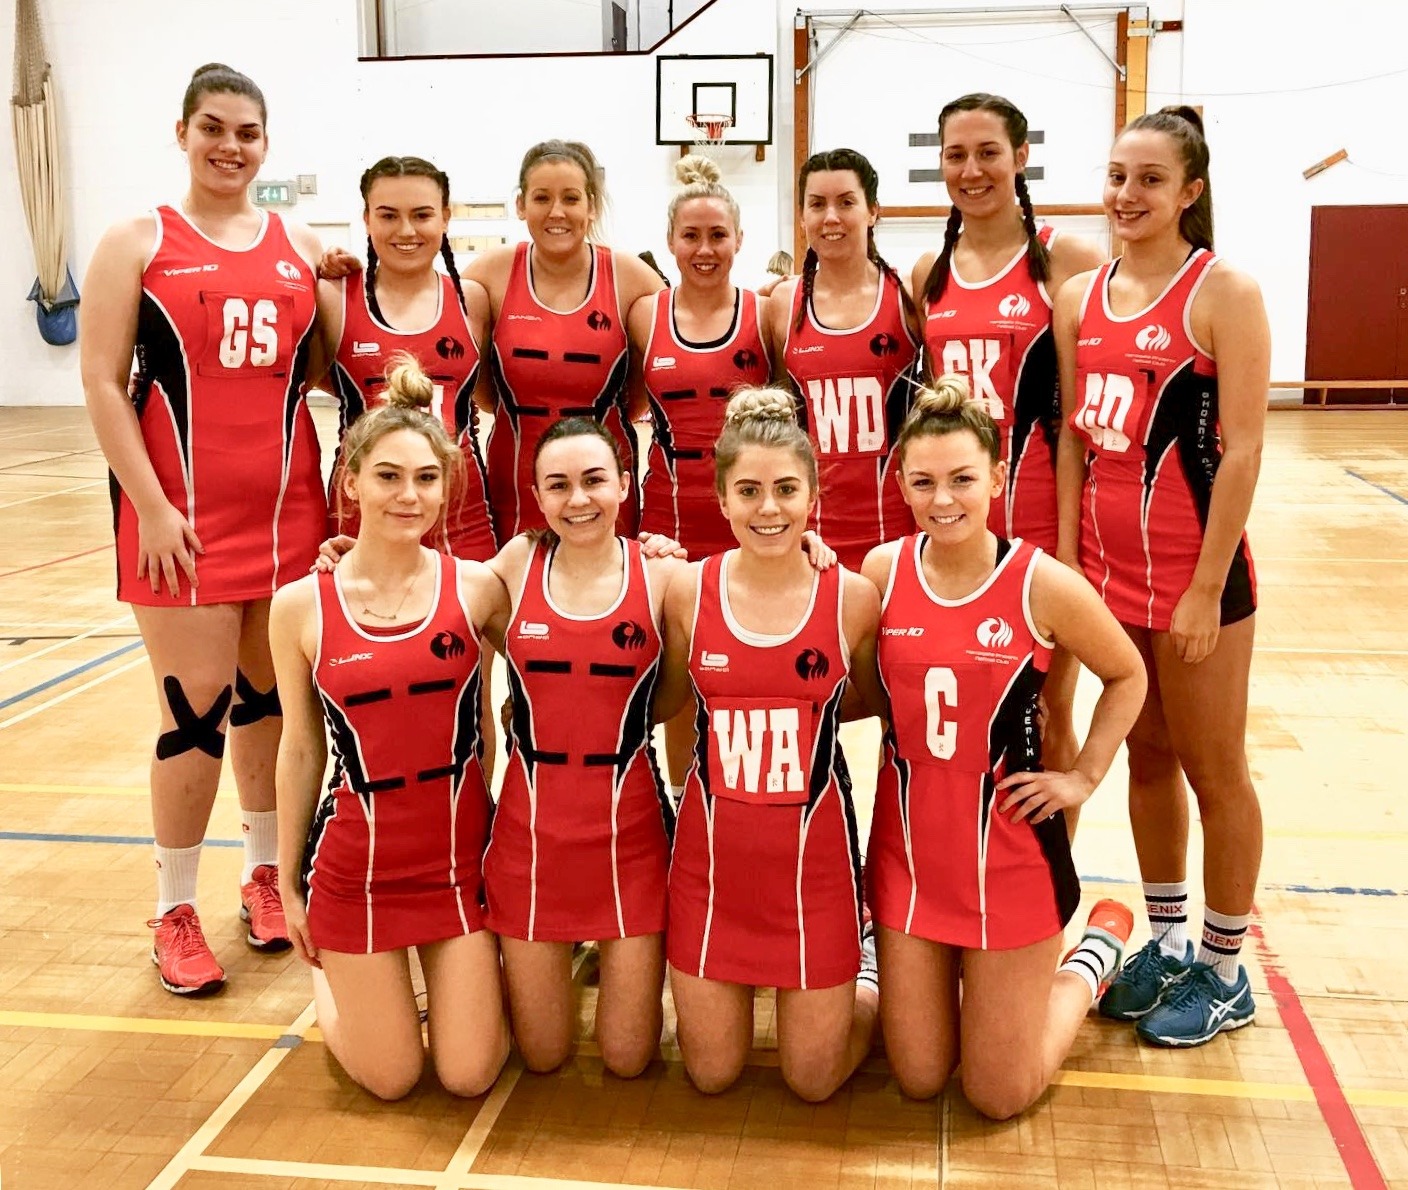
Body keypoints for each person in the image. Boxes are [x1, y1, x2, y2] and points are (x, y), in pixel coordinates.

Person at [80, 63, 325, 994]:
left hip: (289, 513)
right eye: (213, 128)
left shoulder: (300, 243)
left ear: (267, 142)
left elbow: (324, 372)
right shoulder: (137, 240)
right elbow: (103, 381)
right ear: (181, 131)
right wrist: (149, 505)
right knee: (195, 715)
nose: (230, 146)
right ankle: (172, 909)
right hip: (178, 518)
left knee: (272, 704)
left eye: (247, 132)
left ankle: (265, 874)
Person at [863, 376, 1146, 1117]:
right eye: (923, 482)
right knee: (919, 1077)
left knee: (997, 1094)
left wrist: (1082, 777)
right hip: (909, 860)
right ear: (901, 482)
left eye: (962, 478)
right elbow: (847, 685)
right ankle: (910, 973)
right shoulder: (882, 572)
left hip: (1009, 861)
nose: (943, 499)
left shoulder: (1041, 584)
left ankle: (1092, 960)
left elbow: (1127, 673)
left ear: (997, 477)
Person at [1054, 106, 1269, 1048]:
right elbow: (1073, 441)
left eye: (1149, 179)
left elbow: (1248, 448)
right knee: (1145, 759)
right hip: (1108, 579)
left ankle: (1225, 971)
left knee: (1216, 772)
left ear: (1191, 190)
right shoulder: (1080, 297)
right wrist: (1069, 566)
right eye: (1116, 176)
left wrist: (1204, 584)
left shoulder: (1223, 291)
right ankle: (1172, 940)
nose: (1127, 195)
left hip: (1195, 580)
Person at [270, 354, 509, 1099]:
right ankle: (334, 986)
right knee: (394, 1079)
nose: (409, 496)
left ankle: (445, 978)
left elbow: (582, 602)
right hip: (355, 864)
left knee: (468, 1075)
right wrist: (287, 882)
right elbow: (302, 748)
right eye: (388, 476)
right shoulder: (299, 607)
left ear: (448, 486)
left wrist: (662, 554)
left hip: (456, 858)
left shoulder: (480, 588)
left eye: (427, 479)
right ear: (350, 481)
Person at [656, 388, 882, 1102]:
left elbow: (868, 702)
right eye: (748, 491)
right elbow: (664, 704)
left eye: (787, 490)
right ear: (720, 497)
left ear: (815, 495)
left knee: (813, 1082)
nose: (769, 509)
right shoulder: (685, 590)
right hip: (711, 872)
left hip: (814, 873)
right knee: (711, 1074)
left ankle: (866, 972)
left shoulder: (851, 597)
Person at [913, 93, 1105, 803]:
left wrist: (1064, 547)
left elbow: (1076, 419)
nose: (972, 169)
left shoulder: (1067, 259)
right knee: (961, 710)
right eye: (956, 154)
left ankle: (1047, 889)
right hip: (955, 524)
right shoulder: (927, 271)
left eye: (988, 152)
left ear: (1021, 158)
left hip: (1038, 521)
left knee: (1049, 721)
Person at [482, 418, 684, 1078]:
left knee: (628, 1060)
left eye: (595, 480)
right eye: (559, 485)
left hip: (630, 836)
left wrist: (818, 553)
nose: (579, 499)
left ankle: (604, 956)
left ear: (625, 485)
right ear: (537, 496)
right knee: (543, 1056)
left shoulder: (662, 577)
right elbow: (422, 591)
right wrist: (345, 554)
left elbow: (686, 685)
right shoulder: (514, 565)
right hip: (530, 838)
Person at [470, 140, 666, 541]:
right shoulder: (489, 273)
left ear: (590, 206)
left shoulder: (631, 277)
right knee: (519, 595)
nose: (556, 212)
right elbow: (474, 377)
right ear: (521, 204)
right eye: (542, 197)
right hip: (515, 478)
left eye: (571, 198)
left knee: (608, 592)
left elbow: (660, 371)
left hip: (604, 475)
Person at [320, 155, 495, 561]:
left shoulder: (475, 300)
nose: (406, 230)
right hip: (362, 515)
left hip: (462, 518)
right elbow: (311, 382)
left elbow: (486, 397)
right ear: (366, 219)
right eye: (388, 215)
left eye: (422, 215)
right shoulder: (334, 299)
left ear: (445, 218)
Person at [765, 148, 922, 570]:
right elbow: (783, 417)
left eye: (846, 202)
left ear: (873, 211)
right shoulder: (783, 303)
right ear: (802, 217)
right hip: (812, 532)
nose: (830, 217)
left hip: (899, 526)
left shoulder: (907, 293)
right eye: (817, 204)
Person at [633, 155, 771, 562]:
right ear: (670, 239)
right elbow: (629, 404)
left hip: (750, 512)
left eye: (718, 235)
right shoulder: (644, 315)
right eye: (691, 236)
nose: (705, 249)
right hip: (666, 515)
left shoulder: (766, 315)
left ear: (739, 239)